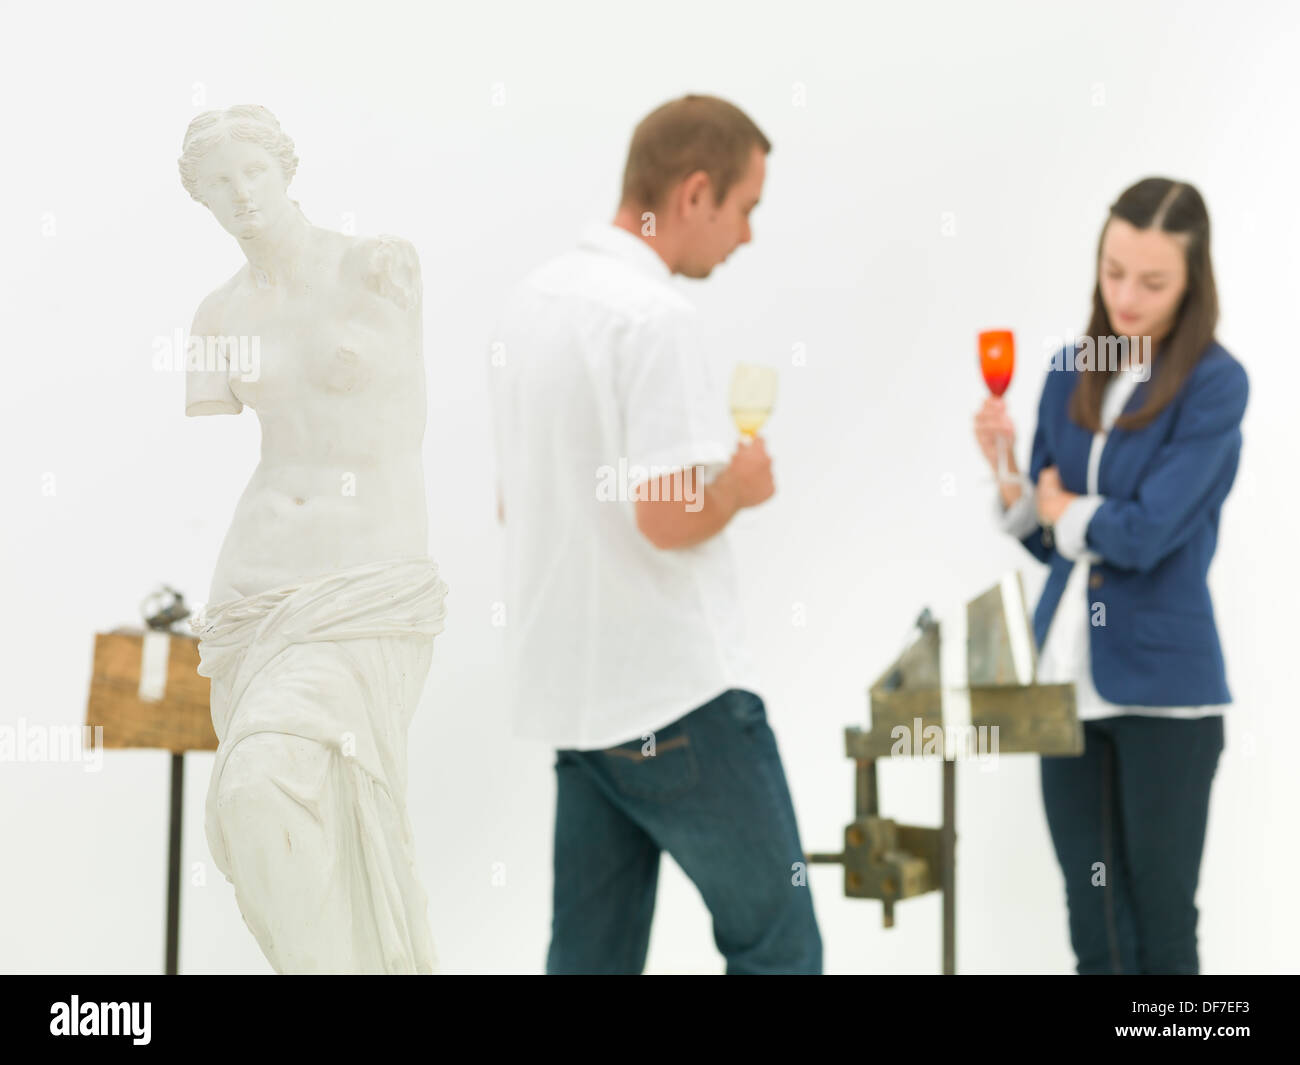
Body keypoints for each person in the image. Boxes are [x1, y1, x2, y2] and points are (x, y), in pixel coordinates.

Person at [489, 94, 822, 974]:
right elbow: (667, 515)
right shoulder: (654, 317)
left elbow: (514, 504)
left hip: (580, 706)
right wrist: (739, 488)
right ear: (695, 193)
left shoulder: (530, 306)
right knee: (780, 949)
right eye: (746, 208)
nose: (745, 234)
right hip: (680, 703)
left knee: (590, 963)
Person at [179, 105, 447, 973]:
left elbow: (410, 414)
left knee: (263, 791)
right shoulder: (215, 316)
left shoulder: (377, 267)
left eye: (251, 171)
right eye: (217, 185)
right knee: (258, 822)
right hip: (253, 594)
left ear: (284, 167)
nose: (240, 195)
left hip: (366, 580)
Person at [973, 177, 1249, 974]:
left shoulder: (1214, 383)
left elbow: (1151, 532)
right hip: (1062, 680)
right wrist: (1011, 484)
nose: (1126, 296)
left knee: (1162, 922)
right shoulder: (1070, 369)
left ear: (1193, 282)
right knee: (1092, 920)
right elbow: (1060, 539)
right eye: (1113, 271)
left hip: (1165, 688)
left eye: (1154, 282)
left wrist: (1067, 506)